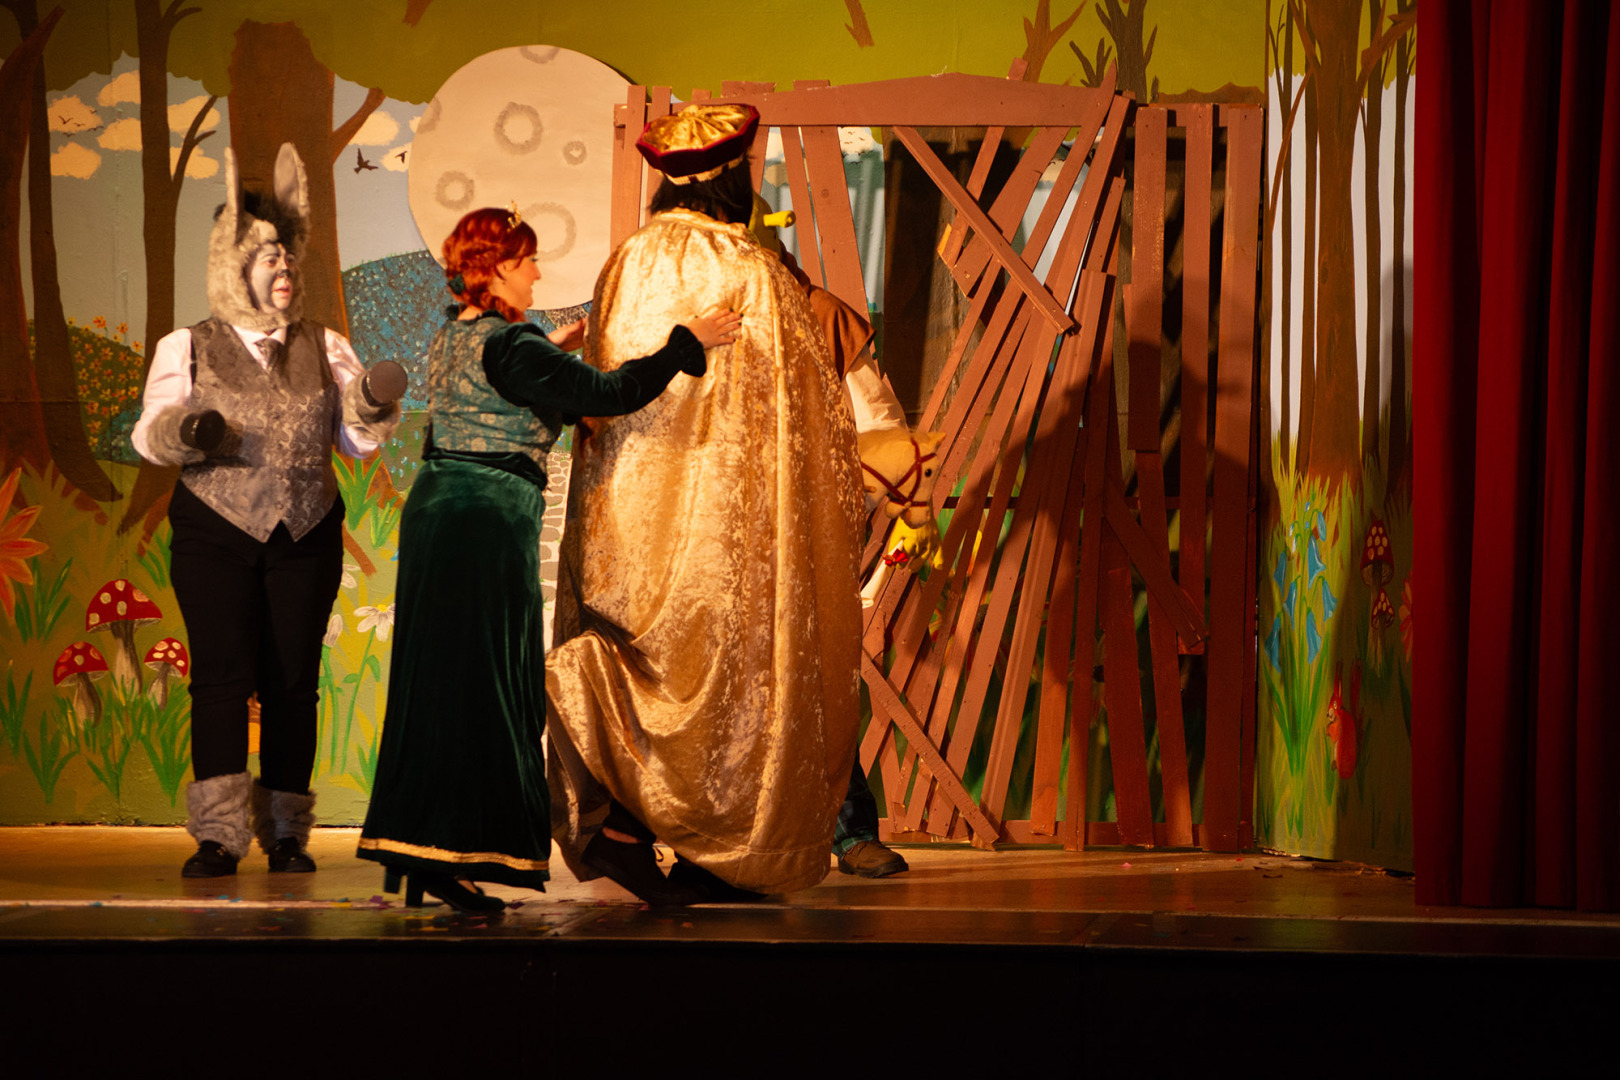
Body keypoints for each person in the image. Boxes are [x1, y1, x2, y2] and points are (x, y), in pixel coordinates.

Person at [356, 205, 739, 912]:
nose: (536, 274)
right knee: (485, 689)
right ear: (499, 268)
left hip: (441, 511)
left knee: (439, 683)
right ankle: (450, 850)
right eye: (527, 261)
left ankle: (425, 851)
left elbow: (506, 396)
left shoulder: (457, 335)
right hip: (482, 522)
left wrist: (552, 350)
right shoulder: (512, 346)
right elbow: (610, 394)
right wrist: (688, 342)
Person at [545, 104, 867, 905]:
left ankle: (627, 831)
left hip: (631, 518)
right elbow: (801, 420)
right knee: (727, 678)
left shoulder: (626, 262)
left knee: (639, 660)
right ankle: (712, 850)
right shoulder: (751, 270)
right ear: (732, 177)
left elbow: (606, 391)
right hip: (728, 526)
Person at [131, 144, 401, 878]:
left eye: (288, 257)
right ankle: (218, 836)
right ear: (233, 265)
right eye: (266, 258)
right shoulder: (188, 345)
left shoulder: (325, 344)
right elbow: (148, 435)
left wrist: (370, 405)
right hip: (215, 531)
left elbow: (355, 443)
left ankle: (286, 833)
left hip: (304, 533)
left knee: (292, 683)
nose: (283, 269)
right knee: (221, 679)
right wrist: (187, 431)